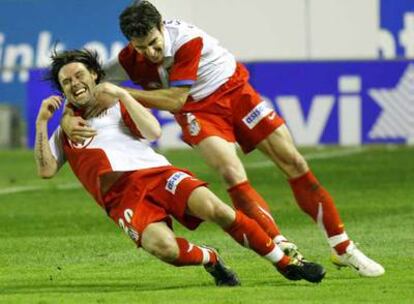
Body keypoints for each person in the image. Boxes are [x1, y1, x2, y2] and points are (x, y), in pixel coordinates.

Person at [61, 1, 384, 277]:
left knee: (294, 163)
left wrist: (121, 91)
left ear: (162, 26)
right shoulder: (128, 59)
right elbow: (82, 85)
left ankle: (342, 246)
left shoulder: (186, 41)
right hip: (199, 111)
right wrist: (65, 116)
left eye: (155, 43)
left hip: (234, 91)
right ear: (131, 43)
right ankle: (279, 244)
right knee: (230, 172)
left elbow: (175, 100)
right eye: (142, 47)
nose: (151, 52)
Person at [35, 49, 326, 287]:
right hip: (122, 199)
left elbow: (152, 132)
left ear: (95, 76)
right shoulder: (65, 132)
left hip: (157, 175)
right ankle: (210, 258)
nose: (75, 84)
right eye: (66, 82)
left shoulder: (115, 105)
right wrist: (42, 123)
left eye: (79, 75)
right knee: (166, 250)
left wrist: (124, 95)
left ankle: (287, 264)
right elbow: (46, 170)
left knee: (219, 211)